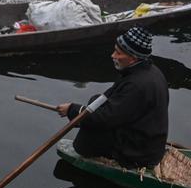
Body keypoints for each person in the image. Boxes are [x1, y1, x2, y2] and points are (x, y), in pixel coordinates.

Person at [55, 26, 169, 168]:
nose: (113, 55)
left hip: (138, 153)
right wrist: (83, 111)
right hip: (145, 138)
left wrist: (72, 110)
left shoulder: (136, 85)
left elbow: (104, 119)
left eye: (118, 53)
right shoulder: (149, 70)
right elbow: (111, 97)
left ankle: (119, 159)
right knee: (95, 101)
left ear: (133, 57)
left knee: (87, 136)